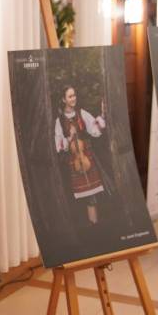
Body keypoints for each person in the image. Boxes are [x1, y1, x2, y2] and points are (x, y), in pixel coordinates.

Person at [54, 86, 106, 225]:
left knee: (92, 196)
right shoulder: (59, 121)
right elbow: (59, 146)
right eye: (70, 96)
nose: (73, 98)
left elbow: (95, 130)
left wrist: (102, 116)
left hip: (87, 157)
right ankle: (88, 226)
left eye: (74, 95)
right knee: (79, 198)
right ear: (64, 99)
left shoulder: (82, 113)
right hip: (74, 161)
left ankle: (95, 225)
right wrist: (70, 137)